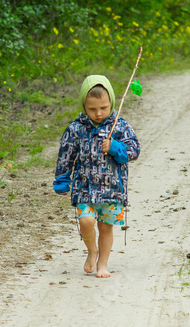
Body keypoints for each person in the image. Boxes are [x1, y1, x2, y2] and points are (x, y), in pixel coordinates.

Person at [54, 74, 141, 278]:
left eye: (103, 107)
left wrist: (115, 147)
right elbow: (65, 156)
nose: (99, 113)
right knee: (85, 221)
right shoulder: (76, 128)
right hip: (84, 188)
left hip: (112, 190)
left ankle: (103, 264)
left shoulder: (119, 126)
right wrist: (62, 179)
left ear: (111, 101)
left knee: (105, 227)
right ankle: (92, 251)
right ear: (84, 105)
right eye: (92, 109)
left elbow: (134, 150)